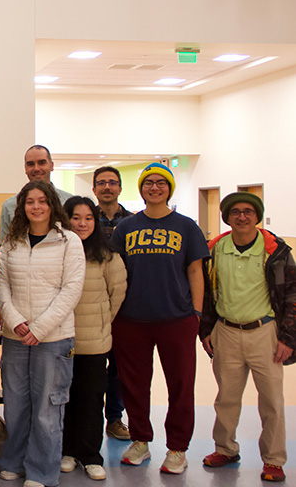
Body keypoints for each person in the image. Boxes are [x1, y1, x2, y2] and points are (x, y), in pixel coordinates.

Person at [110, 162, 209, 475]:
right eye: (148, 183)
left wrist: (195, 313)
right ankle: (140, 440)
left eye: (161, 183)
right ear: (141, 189)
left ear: (169, 188)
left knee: (181, 385)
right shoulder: (126, 227)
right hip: (131, 320)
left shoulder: (186, 226)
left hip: (176, 319)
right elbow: (115, 271)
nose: (154, 187)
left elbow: (195, 270)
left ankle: (177, 448)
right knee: (134, 386)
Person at [199, 192, 296, 483]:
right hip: (226, 332)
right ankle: (225, 449)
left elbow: (292, 294)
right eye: (236, 212)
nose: (242, 217)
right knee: (226, 398)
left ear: (257, 216)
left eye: (249, 211)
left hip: (265, 333)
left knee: (272, 402)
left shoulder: (276, 251)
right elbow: (205, 294)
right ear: (226, 217)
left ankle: (274, 460)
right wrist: (206, 330)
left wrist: (288, 337)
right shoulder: (214, 250)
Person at [0, 180, 86, 487]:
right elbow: (1, 287)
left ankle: (41, 472)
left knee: (48, 408)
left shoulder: (69, 241)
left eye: (42, 201)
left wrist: (39, 328)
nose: (36, 207)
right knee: (16, 404)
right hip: (15, 336)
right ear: (21, 207)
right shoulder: (10, 242)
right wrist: (16, 322)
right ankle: (13, 461)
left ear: (52, 205)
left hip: (54, 339)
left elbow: (71, 289)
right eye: (29, 201)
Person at [60, 197, 127, 481]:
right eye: (76, 218)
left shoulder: (107, 256)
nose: (82, 223)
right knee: (63, 399)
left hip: (94, 342)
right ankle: (66, 451)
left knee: (90, 400)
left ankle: (89, 455)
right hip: (60, 340)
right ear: (66, 220)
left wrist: (100, 322)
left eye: (88, 218)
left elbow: (117, 295)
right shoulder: (58, 252)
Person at [90, 165, 131, 441]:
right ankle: (88, 420)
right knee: (91, 369)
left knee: (118, 369)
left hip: (122, 306)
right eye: (101, 183)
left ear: (119, 187)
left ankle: (115, 419)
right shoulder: (84, 218)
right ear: (94, 189)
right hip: (89, 306)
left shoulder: (133, 222)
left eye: (112, 182)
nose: (107, 187)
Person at [0, 145, 73, 241]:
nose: (36, 168)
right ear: (25, 168)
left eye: (42, 163)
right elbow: (5, 245)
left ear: (51, 166)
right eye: (30, 164)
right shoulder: (9, 206)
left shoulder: (69, 201)